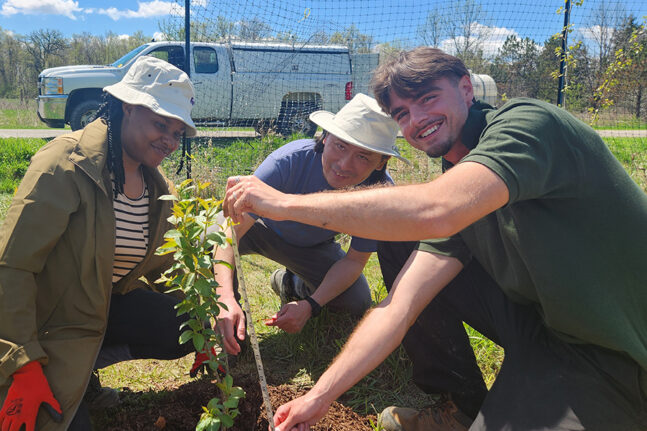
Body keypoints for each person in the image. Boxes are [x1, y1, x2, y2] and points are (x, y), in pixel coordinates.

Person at [222, 47, 647, 431]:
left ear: (465, 88)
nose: (417, 119)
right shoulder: (456, 176)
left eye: (427, 98)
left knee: (407, 219)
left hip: (618, 351)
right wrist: (317, 398)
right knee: (399, 236)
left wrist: (281, 204)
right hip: (547, 333)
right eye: (402, 113)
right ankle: (461, 406)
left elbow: (438, 208)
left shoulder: (530, 124)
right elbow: (399, 307)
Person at [0, 56, 202, 431]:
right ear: (127, 107)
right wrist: (21, 362)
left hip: (99, 311)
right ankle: (62, 374)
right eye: (160, 124)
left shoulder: (154, 187)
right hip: (47, 326)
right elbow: (12, 267)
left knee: (184, 324)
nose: (170, 141)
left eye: (177, 132)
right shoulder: (65, 163)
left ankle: (85, 371)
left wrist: (203, 328)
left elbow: (162, 265)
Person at [214, 93, 408, 357]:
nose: (344, 165)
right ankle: (230, 333)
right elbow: (232, 231)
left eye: (363, 157)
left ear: (381, 162)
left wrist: (310, 305)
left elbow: (353, 262)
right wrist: (226, 297)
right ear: (325, 137)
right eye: (340, 146)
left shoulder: (381, 194)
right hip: (259, 229)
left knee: (356, 300)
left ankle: (291, 283)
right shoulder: (289, 160)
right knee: (211, 239)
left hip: (314, 246)